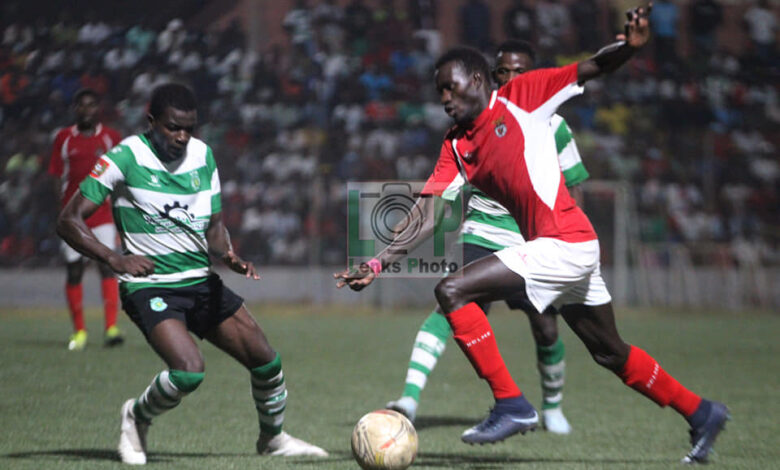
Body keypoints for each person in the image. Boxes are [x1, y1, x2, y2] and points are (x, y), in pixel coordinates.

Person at [337, 5, 729, 464]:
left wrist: (629, 47)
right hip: (566, 248)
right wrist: (378, 262)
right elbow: (426, 213)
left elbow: (592, 66)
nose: (444, 97)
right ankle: (702, 413)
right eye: (439, 90)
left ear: (479, 80)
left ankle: (512, 403)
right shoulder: (456, 144)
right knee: (609, 353)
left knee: (452, 290)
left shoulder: (523, 95)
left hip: (564, 242)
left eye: (452, 86)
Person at [57, 83, 328, 465]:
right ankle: (135, 416)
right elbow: (68, 221)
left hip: (200, 282)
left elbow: (215, 226)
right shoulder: (125, 156)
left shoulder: (203, 155)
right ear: (151, 122)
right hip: (151, 287)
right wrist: (114, 259)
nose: (182, 137)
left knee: (267, 363)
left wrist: (228, 253)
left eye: (189, 128)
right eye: (172, 128)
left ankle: (273, 438)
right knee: (189, 372)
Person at [385, 39, 590, 435]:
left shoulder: (554, 126)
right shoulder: (468, 127)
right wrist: (393, 245)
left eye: (520, 72)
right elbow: (440, 193)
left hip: (534, 240)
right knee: (450, 301)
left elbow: (575, 187)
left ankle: (551, 407)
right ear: (490, 77)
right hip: (482, 230)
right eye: (504, 72)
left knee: (546, 325)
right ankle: (409, 397)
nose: (511, 78)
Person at [48, 88, 123, 350]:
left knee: (107, 265)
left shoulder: (110, 138)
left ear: (97, 108)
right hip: (73, 216)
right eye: (82, 105)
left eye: (92, 105)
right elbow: (57, 176)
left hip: (102, 214)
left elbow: (121, 178)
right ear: (76, 109)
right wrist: (61, 213)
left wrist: (121, 213)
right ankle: (79, 332)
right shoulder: (64, 138)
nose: (87, 110)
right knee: (74, 270)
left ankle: (111, 329)